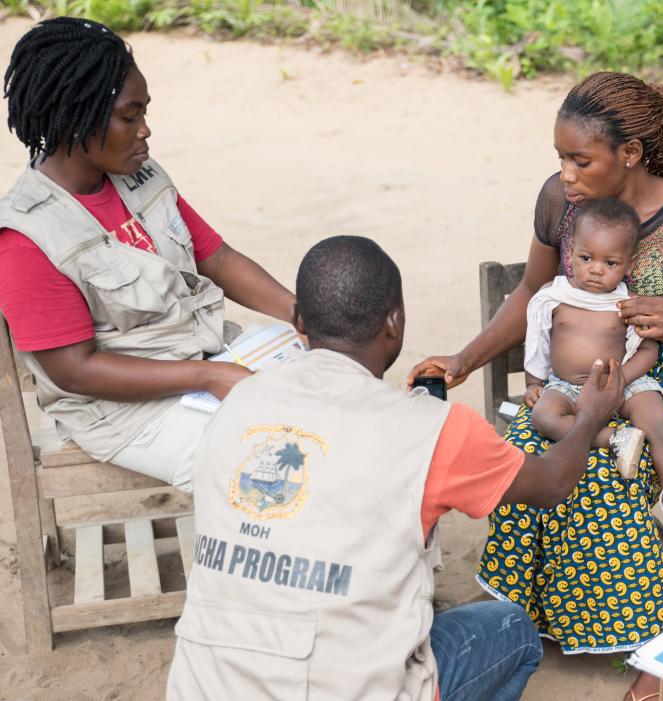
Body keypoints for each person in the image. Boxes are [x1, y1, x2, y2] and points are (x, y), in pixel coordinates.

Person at [409, 71, 663, 701]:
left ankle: (639, 637)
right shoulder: (559, 202)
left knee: (605, 460)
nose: (566, 175)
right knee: (527, 444)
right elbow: (530, 293)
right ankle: (535, 610)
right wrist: (465, 359)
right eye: (561, 159)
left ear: (628, 154)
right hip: (569, 376)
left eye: (581, 160)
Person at [166, 235, 627, 701]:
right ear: (395, 323)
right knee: (510, 628)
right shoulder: (432, 428)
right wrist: (589, 416)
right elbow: (550, 484)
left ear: (301, 321)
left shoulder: (238, 401)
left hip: (202, 685)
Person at [0, 17, 295, 490]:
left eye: (144, 113)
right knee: (285, 463)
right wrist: (209, 378)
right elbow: (75, 371)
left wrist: (299, 312)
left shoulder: (140, 175)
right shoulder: (28, 237)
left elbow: (216, 258)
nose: (145, 131)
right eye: (129, 117)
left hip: (204, 359)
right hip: (125, 414)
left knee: (335, 404)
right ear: (76, 118)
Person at [525, 197, 663, 517]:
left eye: (610, 263)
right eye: (586, 257)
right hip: (568, 385)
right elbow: (537, 341)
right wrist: (533, 382)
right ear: (570, 253)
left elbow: (649, 350)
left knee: (658, 417)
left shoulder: (629, 304)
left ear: (628, 263)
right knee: (544, 417)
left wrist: (621, 379)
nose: (596, 269)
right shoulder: (553, 298)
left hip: (621, 382)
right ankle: (616, 439)